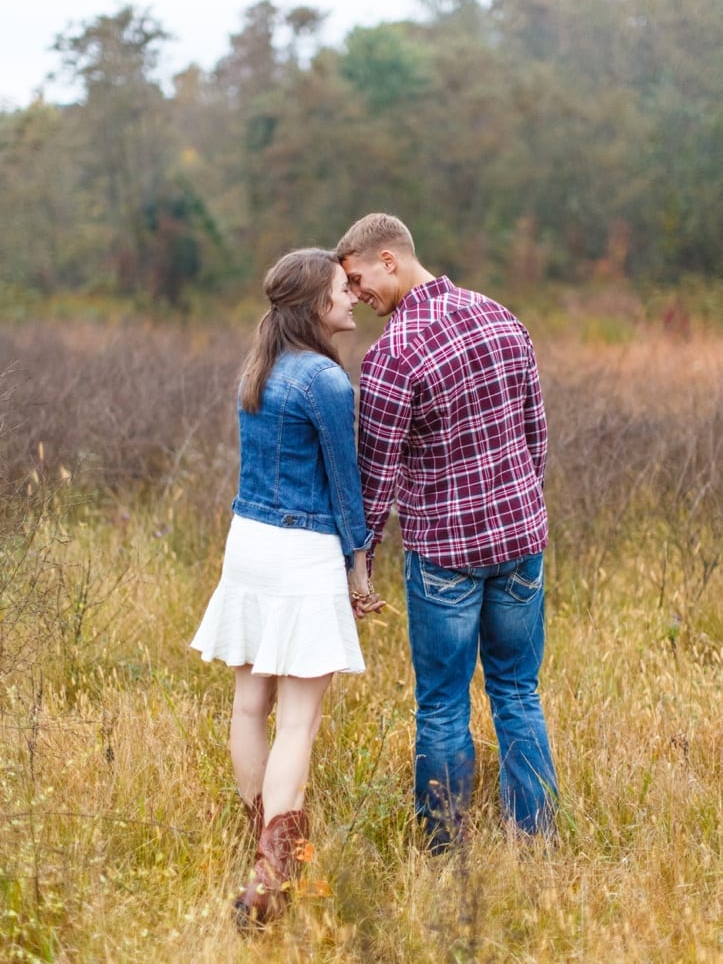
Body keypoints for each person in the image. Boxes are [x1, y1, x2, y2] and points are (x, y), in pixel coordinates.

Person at [336, 213, 558, 851]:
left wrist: (361, 563)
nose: (356, 296)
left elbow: (374, 478)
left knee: (441, 707)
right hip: (521, 544)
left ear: (388, 258)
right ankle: (535, 843)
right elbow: (534, 434)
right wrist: (524, 513)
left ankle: (443, 854)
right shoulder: (502, 317)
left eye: (357, 280)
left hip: (446, 560)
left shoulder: (391, 355)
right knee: (518, 692)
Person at [190, 248, 383, 928]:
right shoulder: (325, 382)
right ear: (314, 306)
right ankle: (271, 874)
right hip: (302, 550)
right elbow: (344, 486)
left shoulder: (256, 369)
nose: (351, 297)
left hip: (248, 543)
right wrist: (359, 568)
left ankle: (261, 854)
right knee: (297, 717)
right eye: (341, 289)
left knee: (249, 704)